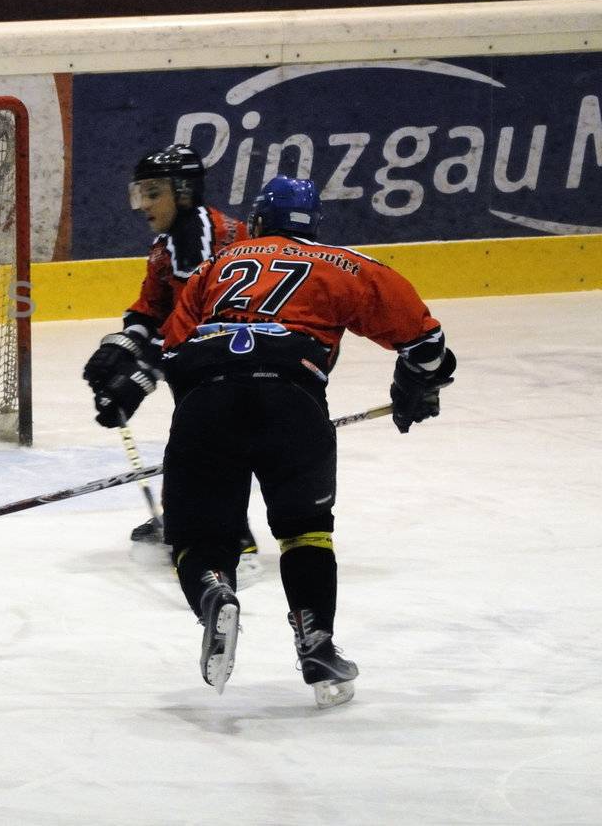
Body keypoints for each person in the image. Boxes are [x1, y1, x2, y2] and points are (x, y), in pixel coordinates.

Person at [87, 176, 456, 707]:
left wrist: (131, 389)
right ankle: (317, 643)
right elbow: (427, 343)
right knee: (305, 531)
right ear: (314, 225)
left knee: (197, 537)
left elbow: (169, 348)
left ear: (257, 222)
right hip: (294, 403)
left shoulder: (218, 265)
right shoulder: (345, 264)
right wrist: (417, 384)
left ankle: (215, 587)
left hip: (209, 398)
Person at [81, 144, 262, 571]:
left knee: (210, 435)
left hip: (246, 356)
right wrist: (121, 349)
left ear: (183, 191)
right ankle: (191, 522)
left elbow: (205, 332)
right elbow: (154, 309)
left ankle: (233, 535)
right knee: (192, 437)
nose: (143, 204)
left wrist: (142, 374)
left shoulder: (206, 239)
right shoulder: (171, 242)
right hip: (217, 358)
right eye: (140, 192)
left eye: (153, 192)